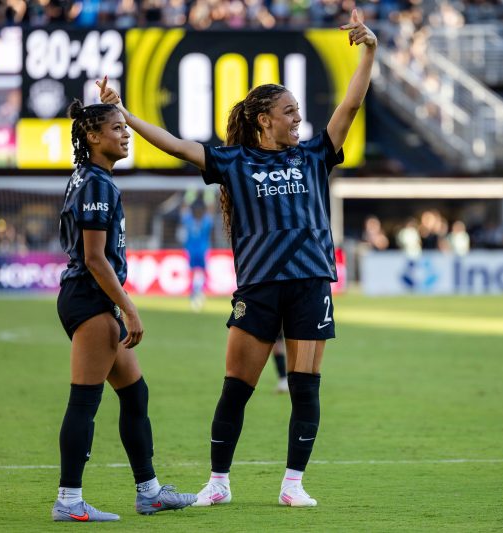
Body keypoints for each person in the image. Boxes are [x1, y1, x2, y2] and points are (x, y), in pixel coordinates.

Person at [97, 8, 376, 507]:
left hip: (311, 282)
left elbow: (351, 105)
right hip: (259, 288)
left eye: (298, 110)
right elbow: (176, 146)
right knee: (236, 389)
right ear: (264, 119)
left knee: (306, 389)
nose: (298, 118)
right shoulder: (234, 161)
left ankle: (293, 485)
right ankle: (218, 482)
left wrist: (369, 52)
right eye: (289, 111)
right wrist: (126, 115)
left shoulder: (315, 154)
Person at [52, 98, 196, 522]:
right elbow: (95, 258)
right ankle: (68, 500)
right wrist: (129, 308)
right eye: (116, 128)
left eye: (124, 127)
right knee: (84, 401)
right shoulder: (96, 184)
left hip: (89, 297)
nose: (125, 134)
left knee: (135, 394)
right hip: (91, 297)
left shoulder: (87, 176)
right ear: (92, 136)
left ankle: (149, 492)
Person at [179, 189, 214, 311]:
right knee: (197, 272)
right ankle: (196, 293)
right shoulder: (202, 221)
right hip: (198, 251)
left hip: (197, 251)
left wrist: (189, 196)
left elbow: (184, 210)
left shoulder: (192, 221)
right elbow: (210, 211)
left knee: (198, 272)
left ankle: (197, 293)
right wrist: (209, 197)